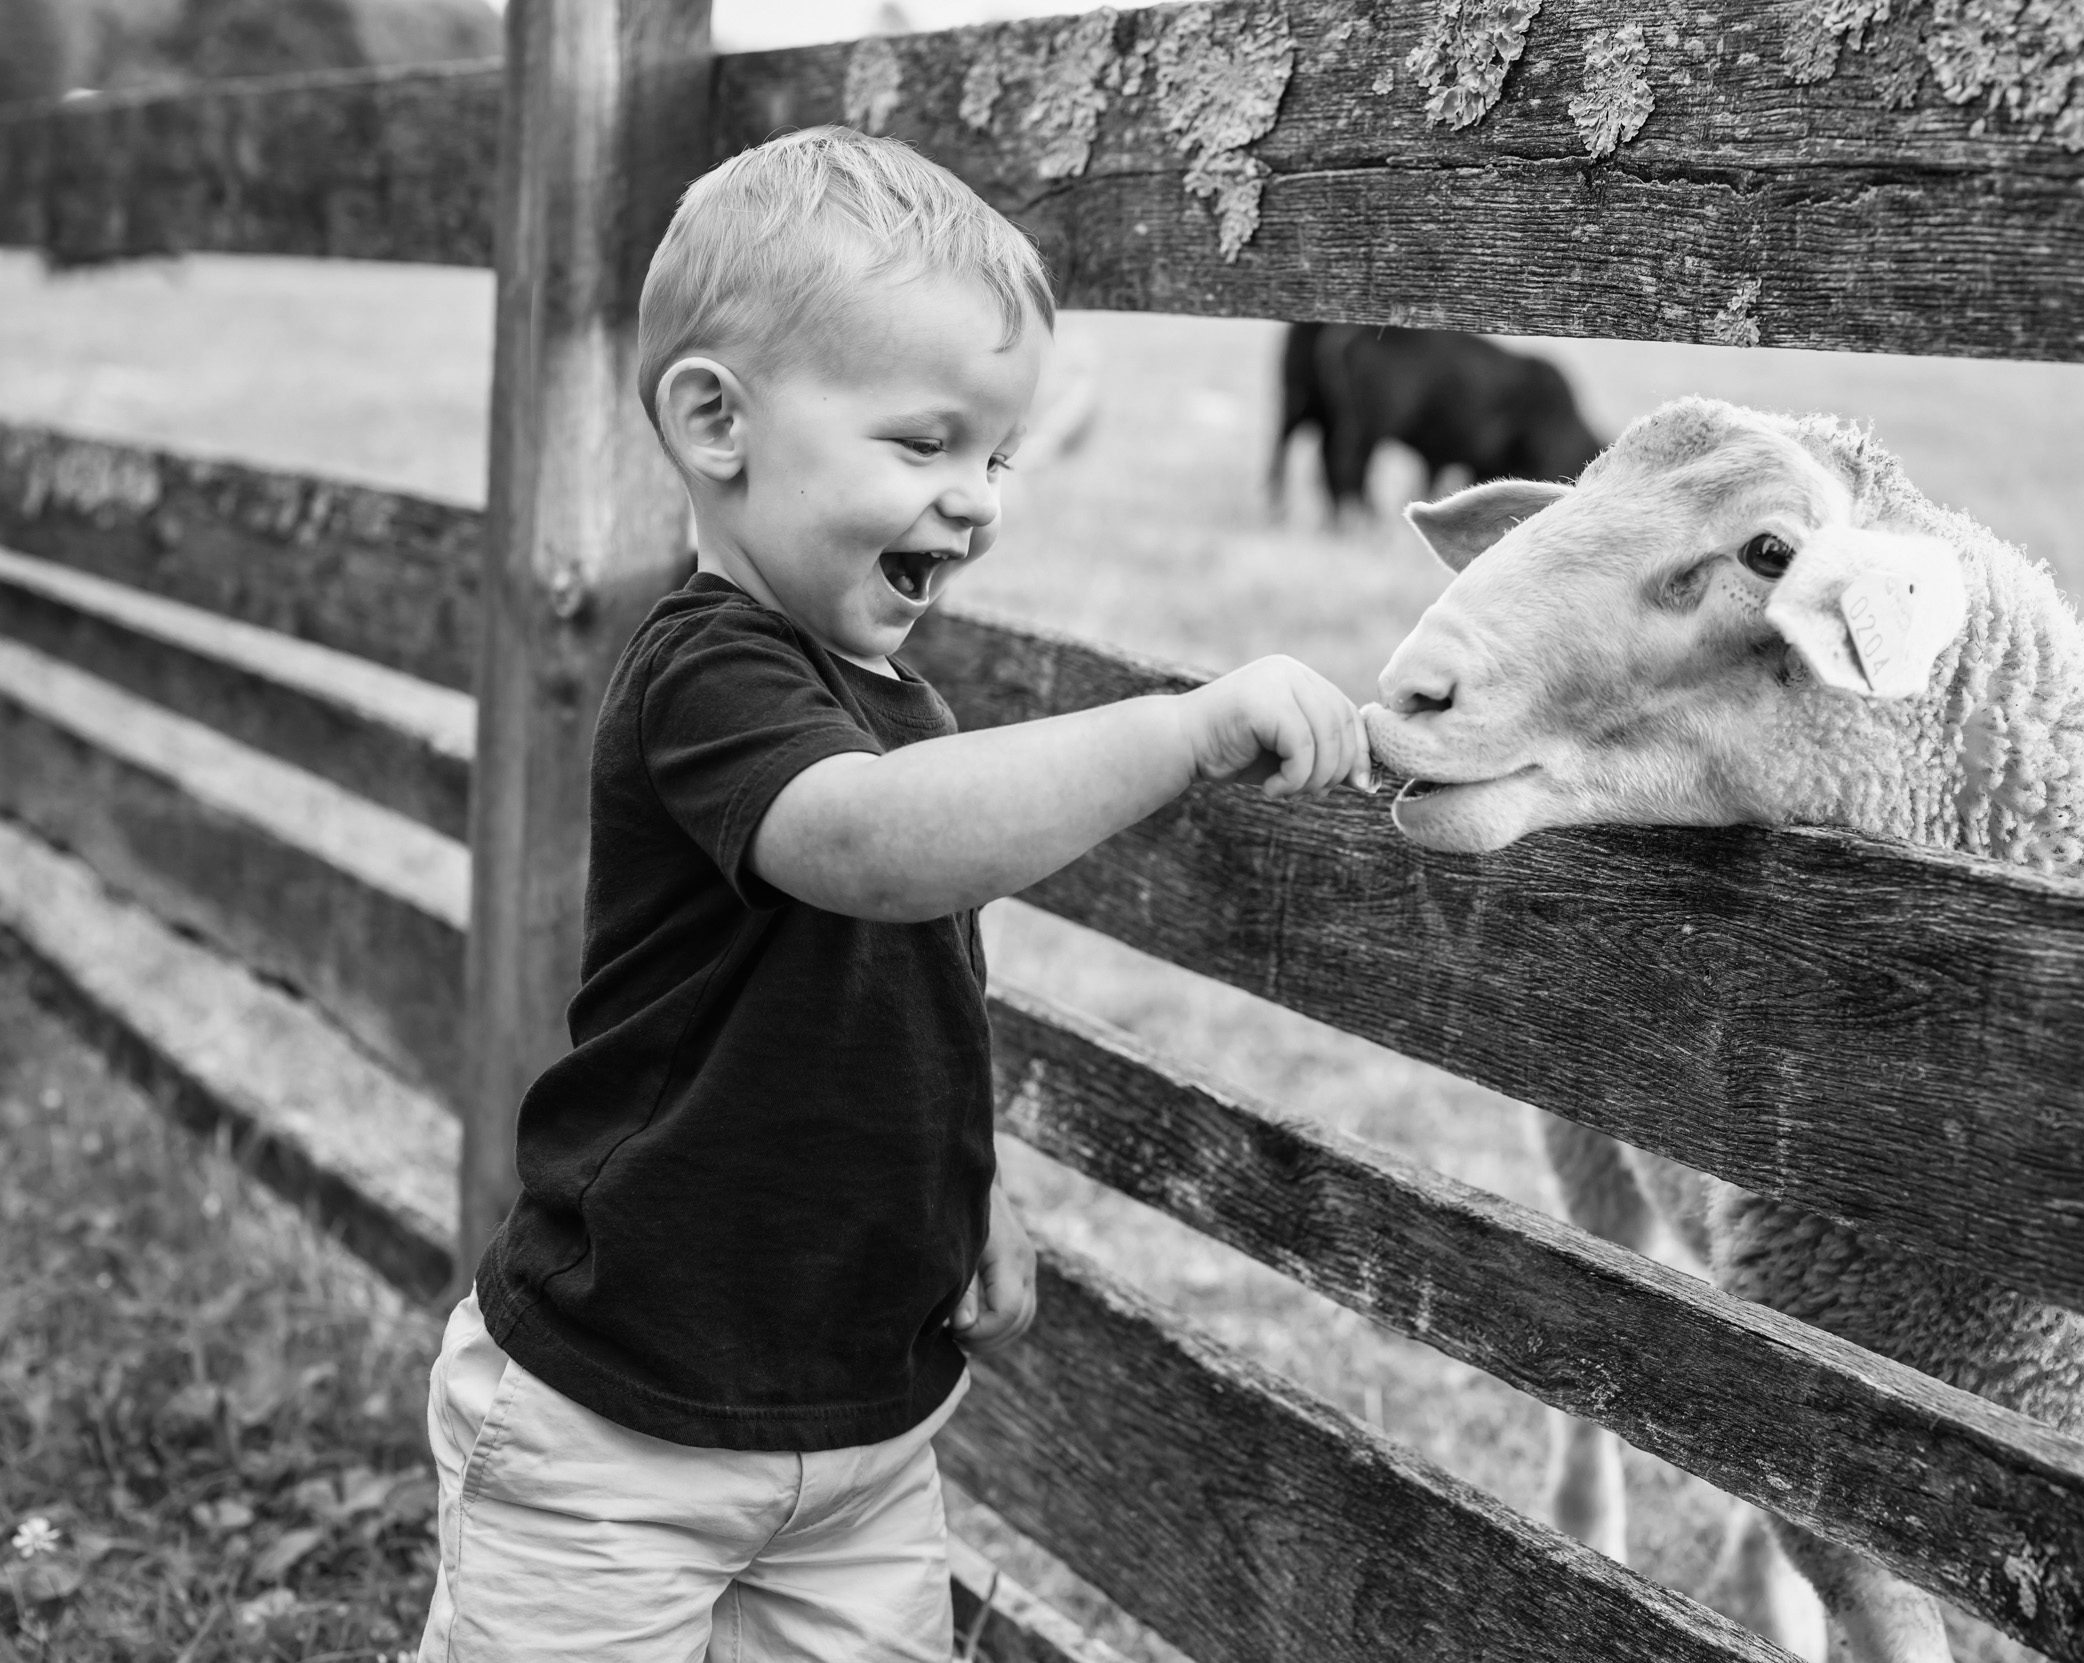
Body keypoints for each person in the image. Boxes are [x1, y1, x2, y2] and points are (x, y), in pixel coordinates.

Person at [417, 125, 1373, 1660]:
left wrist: (962, 1178)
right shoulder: (706, 674)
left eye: (996, 456)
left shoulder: (895, 705)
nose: (980, 500)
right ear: (717, 422)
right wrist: (1180, 729)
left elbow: (903, 993)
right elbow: (869, 852)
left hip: (859, 1421)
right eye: (925, 446)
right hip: (621, 1417)